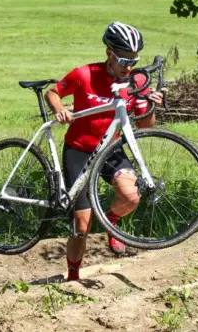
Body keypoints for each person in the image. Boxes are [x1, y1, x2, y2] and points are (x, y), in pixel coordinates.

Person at [44, 21, 164, 282]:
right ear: (109, 53)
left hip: (110, 150)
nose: (129, 67)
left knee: (131, 197)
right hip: (79, 151)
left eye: (133, 60)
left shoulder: (134, 81)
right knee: (81, 225)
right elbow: (52, 92)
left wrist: (151, 106)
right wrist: (59, 109)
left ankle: (111, 223)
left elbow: (145, 126)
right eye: (123, 60)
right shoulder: (84, 74)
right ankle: (73, 276)